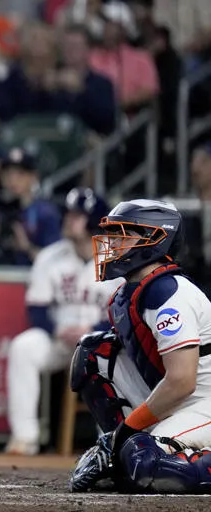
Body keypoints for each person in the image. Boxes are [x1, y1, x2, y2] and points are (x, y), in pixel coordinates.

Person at [69, 199, 211, 493]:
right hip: (180, 398)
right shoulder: (128, 293)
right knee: (93, 354)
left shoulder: (169, 292)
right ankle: (122, 455)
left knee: (146, 462)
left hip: (203, 401)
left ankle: (137, 452)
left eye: (123, 234)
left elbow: (182, 381)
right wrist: (120, 440)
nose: (112, 242)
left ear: (154, 239)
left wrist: (128, 430)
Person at [5, 188, 120, 455]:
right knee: (23, 347)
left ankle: (111, 442)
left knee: (118, 360)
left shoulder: (117, 260)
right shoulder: (51, 256)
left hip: (103, 342)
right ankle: (25, 438)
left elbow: (126, 312)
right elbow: (37, 308)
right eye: (68, 214)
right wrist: (57, 329)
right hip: (59, 338)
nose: (69, 220)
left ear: (96, 221)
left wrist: (93, 331)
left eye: (78, 215)